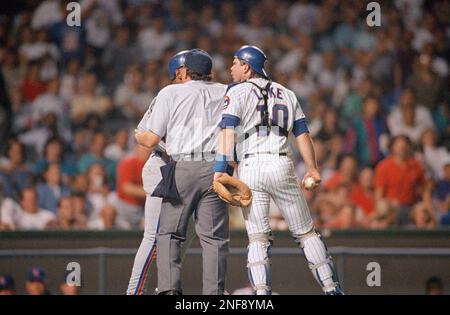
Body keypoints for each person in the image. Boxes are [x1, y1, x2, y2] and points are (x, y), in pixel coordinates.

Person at [213, 45, 343, 295]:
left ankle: (261, 294)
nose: (231, 68)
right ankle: (331, 289)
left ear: (247, 67)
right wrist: (313, 169)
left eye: (235, 63)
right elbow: (302, 134)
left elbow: (227, 131)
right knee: (306, 233)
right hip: (282, 162)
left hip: (251, 165)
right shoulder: (287, 92)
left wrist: (220, 169)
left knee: (259, 239)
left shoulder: (237, 92)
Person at [135, 49, 228, 295]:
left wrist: (140, 136)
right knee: (214, 239)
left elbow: (148, 138)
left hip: (180, 167)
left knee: (166, 235)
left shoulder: (169, 92)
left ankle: (167, 292)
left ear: (182, 71)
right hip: (215, 167)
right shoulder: (226, 91)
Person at [127, 50, 190, 295]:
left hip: (188, 171)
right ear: (180, 72)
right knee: (153, 237)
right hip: (164, 167)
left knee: (183, 238)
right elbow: (142, 134)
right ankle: (134, 292)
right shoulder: (167, 94)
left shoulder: (200, 95)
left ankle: (165, 289)